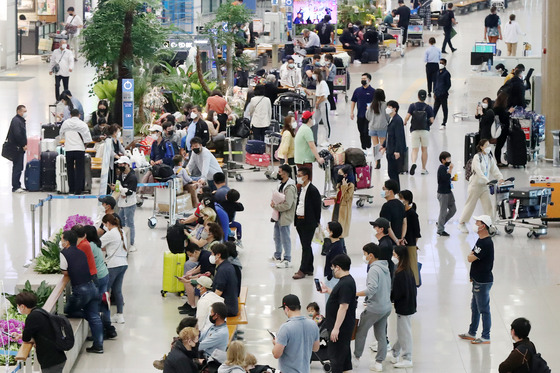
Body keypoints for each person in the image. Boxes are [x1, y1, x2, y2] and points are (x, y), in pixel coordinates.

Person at [59, 230, 104, 353]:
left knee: (68, 310)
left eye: (62, 239)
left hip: (81, 290)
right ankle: (98, 346)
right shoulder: (81, 252)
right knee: (94, 317)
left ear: (67, 242)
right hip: (92, 287)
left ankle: (87, 315)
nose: (61, 242)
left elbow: (65, 271)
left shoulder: (64, 253)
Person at [353, 243, 392, 372]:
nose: (363, 257)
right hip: (385, 307)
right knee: (381, 335)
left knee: (361, 333)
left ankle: (356, 359)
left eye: (364, 254)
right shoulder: (385, 267)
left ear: (371, 255)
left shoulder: (373, 269)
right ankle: (379, 362)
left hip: (374, 308)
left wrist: (356, 294)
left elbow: (372, 288)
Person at [458, 215, 495, 344]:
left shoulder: (486, 243)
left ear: (483, 226)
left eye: (477, 222)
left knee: (483, 309)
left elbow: (470, 258)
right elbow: (472, 255)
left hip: (483, 281)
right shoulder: (480, 240)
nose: (475, 224)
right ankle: (472, 332)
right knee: (475, 307)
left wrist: (470, 256)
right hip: (477, 280)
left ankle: (486, 336)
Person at [319, 254, 357, 373]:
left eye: (333, 267)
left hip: (341, 328)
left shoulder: (345, 284)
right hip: (342, 327)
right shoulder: (346, 281)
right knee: (344, 358)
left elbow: (343, 307)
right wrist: (328, 290)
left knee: (336, 358)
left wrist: (336, 328)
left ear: (338, 267)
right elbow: (341, 298)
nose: (333, 270)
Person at [458, 139, 504, 233]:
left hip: (484, 186)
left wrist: (500, 178)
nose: (488, 147)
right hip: (475, 185)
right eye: (486, 146)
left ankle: (490, 225)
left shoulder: (489, 157)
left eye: (489, 145)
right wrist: (487, 180)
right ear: (481, 147)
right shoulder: (477, 157)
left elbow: (494, 169)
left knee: (488, 207)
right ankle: (462, 223)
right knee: (470, 205)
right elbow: (478, 171)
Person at [15, 293, 67, 372]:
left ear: (22, 306)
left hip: (51, 361)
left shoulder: (32, 317)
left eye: (18, 306)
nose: (18, 308)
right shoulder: (40, 311)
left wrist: (23, 336)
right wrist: (21, 335)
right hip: (57, 356)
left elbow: (26, 338)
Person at [83, 225, 116, 339]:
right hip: (104, 275)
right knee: (104, 302)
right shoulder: (97, 244)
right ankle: (108, 328)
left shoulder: (89, 246)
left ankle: (98, 332)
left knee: (94, 306)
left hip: (96, 278)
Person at [273, 294, 320, 373]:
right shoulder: (313, 324)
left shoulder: (285, 328)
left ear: (287, 308)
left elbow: (276, 354)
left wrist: (276, 343)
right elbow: (315, 348)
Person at [389, 245, 417, 368]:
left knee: (404, 332)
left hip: (404, 307)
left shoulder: (400, 273)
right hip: (409, 305)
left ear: (398, 256)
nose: (393, 256)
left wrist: (391, 297)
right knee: (402, 331)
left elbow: (398, 292)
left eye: (394, 254)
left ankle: (407, 358)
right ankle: (395, 352)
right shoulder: (408, 269)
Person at [292, 167, 322, 280]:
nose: (298, 178)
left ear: (306, 177)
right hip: (299, 221)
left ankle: (302, 269)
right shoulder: (301, 189)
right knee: (306, 245)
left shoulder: (313, 190)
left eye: (300, 175)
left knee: (305, 246)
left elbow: (317, 208)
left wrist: (316, 222)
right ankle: (309, 268)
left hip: (308, 222)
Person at [100, 214, 128, 325]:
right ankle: (120, 315)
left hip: (113, 265)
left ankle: (105, 317)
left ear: (108, 223)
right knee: (117, 290)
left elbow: (98, 244)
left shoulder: (111, 233)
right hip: (123, 263)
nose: (104, 227)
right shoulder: (121, 231)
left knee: (105, 291)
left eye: (104, 224)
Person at [60, 108, 93, 195]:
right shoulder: (82, 124)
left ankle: (71, 189)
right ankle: (78, 190)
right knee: (80, 170)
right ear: (79, 115)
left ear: (70, 115)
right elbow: (88, 139)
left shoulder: (66, 123)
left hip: (69, 149)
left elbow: (61, 134)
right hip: (79, 149)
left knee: (70, 170)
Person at [271, 164, 297, 268]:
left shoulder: (290, 187)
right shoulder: (281, 184)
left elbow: (288, 204)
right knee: (277, 236)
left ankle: (287, 258)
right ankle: (277, 255)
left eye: (280, 171)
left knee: (285, 237)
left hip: (285, 216)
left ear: (285, 173)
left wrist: (276, 206)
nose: (278, 173)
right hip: (278, 215)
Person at [404, 90, 434, 175]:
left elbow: (407, 117)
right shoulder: (428, 107)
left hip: (414, 130)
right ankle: (423, 169)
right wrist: (428, 124)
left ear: (418, 96)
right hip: (425, 130)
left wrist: (405, 122)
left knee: (415, 149)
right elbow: (432, 120)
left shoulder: (412, 106)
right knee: (424, 149)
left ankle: (414, 163)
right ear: (425, 97)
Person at [113, 156, 137, 252]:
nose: (120, 166)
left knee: (130, 223)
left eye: (122, 164)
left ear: (127, 165)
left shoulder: (132, 177)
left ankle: (131, 243)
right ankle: (122, 241)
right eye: (119, 164)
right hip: (121, 204)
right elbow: (121, 188)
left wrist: (123, 191)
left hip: (130, 204)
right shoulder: (120, 175)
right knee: (121, 222)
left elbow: (130, 192)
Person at [381, 101, 406, 189]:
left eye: (389, 107)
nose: (387, 108)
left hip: (394, 151)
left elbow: (399, 136)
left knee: (393, 172)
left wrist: (397, 151)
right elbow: (389, 135)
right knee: (391, 172)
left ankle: (396, 190)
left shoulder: (398, 120)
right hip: (390, 149)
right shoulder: (392, 119)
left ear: (394, 109)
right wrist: (384, 145)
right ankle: (395, 190)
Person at [293, 111, 325, 181]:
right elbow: (312, 146)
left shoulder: (302, 128)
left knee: (302, 181)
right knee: (307, 182)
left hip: (300, 159)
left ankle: (299, 191)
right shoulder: (307, 130)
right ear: (309, 119)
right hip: (305, 161)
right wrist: (319, 158)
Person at [398, 190, 420, 286]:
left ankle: (414, 284)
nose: (399, 200)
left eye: (401, 198)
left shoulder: (412, 214)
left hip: (410, 243)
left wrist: (414, 244)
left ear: (406, 200)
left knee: (412, 265)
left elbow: (417, 232)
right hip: (401, 242)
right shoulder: (401, 212)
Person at [211, 243, 239, 316]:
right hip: (232, 305)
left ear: (218, 255)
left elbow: (218, 293)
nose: (211, 256)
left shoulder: (223, 270)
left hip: (226, 308)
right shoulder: (228, 266)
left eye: (212, 254)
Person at [366, 89, 390, 169]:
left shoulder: (371, 105)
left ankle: (377, 162)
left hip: (372, 127)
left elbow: (368, 117)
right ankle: (382, 157)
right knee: (383, 146)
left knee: (375, 145)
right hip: (382, 127)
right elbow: (388, 117)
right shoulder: (385, 105)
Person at [350, 73, 376, 150]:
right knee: (361, 131)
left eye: (364, 79)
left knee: (366, 131)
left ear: (369, 80)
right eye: (362, 79)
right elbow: (353, 101)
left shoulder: (373, 91)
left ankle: (368, 145)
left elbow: (376, 103)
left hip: (369, 116)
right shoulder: (357, 90)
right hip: (360, 115)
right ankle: (363, 147)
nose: (363, 80)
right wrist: (352, 112)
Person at [6, 105, 27, 193]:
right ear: (19, 111)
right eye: (24, 111)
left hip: (19, 147)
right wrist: (23, 144)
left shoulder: (20, 120)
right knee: (17, 167)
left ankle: (17, 184)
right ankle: (15, 186)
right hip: (17, 148)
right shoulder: (16, 121)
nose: (25, 113)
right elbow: (18, 134)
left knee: (19, 167)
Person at [436, 151, 457, 237]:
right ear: (443, 160)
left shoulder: (445, 168)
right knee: (443, 211)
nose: (449, 161)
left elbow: (445, 179)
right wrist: (451, 170)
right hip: (443, 193)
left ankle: (441, 223)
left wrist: (451, 179)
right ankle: (440, 230)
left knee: (453, 209)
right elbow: (443, 179)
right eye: (448, 159)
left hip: (448, 192)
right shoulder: (441, 168)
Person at [323, 221, 346, 295]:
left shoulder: (336, 248)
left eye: (327, 229)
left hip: (333, 278)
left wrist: (330, 276)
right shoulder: (333, 245)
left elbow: (336, 264)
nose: (325, 231)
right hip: (330, 276)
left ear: (331, 233)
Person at [310, 68, 331, 146]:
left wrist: (317, 103)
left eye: (314, 74)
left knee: (326, 122)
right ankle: (314, 138)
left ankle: (327, 139)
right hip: (318, 104)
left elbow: (323, 96)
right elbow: (318, 94)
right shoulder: (318, 83)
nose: (313, 76)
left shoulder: (323, 83)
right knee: (314, 121)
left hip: (324, 104)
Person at [332, 166, 354, 238]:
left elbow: (346, 197)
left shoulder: (350, 186)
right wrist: (333, 199)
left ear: (345, 175)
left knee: (341, 232)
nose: (338, 175)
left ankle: (342, 248)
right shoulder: (339, 185)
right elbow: (339, 196)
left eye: (340, 173)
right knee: (335, 229)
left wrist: (344, 186)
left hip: (344, 210)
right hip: (337, 207)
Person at [493, 91, 512, 166]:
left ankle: (498, 161)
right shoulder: (500, 109)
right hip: (502, 130)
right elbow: (504, 118)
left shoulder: (496, 108)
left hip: (498, 129)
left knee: (499, 146)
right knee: (499, 146)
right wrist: (509, 112)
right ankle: (498, 162)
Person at [433, 59, 452, 129]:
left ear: (445, 64)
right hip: (437, 94)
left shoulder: (446, 73)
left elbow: (448, 85)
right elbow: (435, 83)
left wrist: (443, 91)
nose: (440, 64)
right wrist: (434, 92)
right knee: (435, 109)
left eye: (442, 63)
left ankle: (444, 122)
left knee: (444, 108)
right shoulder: (437, 72)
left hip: (443, 95)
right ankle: (431, 121)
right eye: (440, 63)